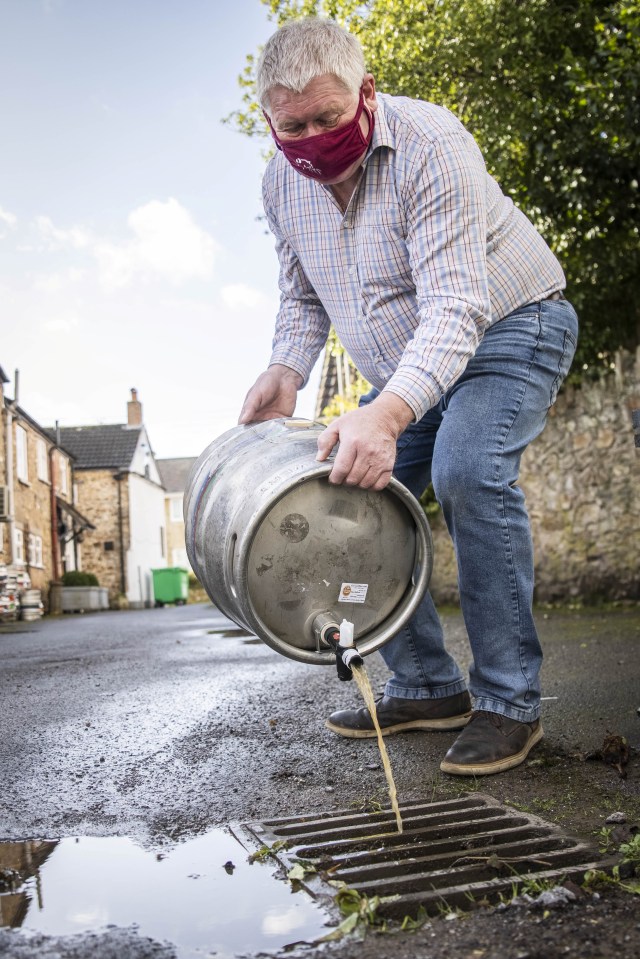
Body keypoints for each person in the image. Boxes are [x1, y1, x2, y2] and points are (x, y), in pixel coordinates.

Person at [238, 17, 578, 776]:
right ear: (269, 118)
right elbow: (302, 297)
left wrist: (388, 412)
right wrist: (286, 369)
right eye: (292, 126)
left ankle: (510, 704)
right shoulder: (278, 184)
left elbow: (457, 309)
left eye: (329, 118)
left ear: (365, 93)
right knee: (349, 497)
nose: (313, 139)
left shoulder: (432, 145)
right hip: (409, 366)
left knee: (466, 471)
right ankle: (427, 686)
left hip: (512, 326)